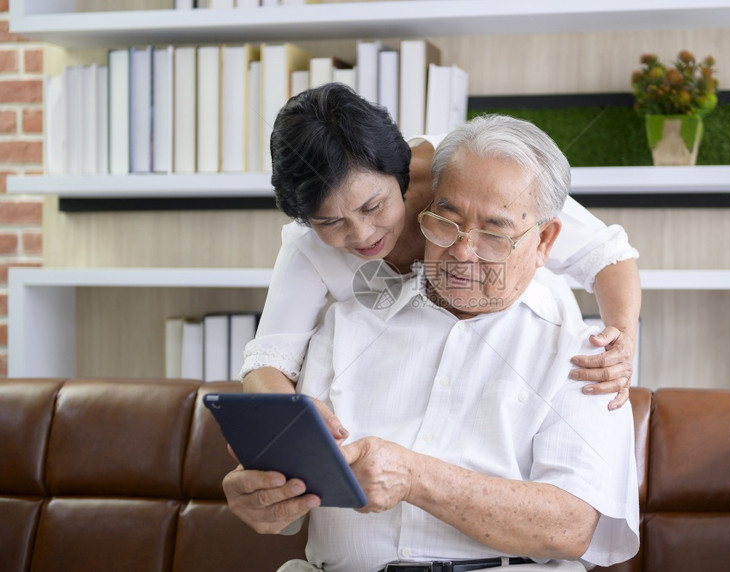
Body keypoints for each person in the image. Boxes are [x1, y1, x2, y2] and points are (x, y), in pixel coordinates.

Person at [224, 115, 640, 572]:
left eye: (495, 234)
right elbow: (272, 384)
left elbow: (571, 527)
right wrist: (266, 493)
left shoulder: (587, 355)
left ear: (544, 240)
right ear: (423, 208)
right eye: (447, 221)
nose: (463, 251)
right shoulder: (343, 326)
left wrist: (416, 477)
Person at [240, 84, 641, 410]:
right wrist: (294, 421)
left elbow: (606, 256)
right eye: (330, 221)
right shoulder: (306, 245)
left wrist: (620, 343)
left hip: (509, 362)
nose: (362, 235)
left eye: (373, 206)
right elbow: (268, 363)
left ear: (401, 173)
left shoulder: (467, 172)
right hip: (402, 383)